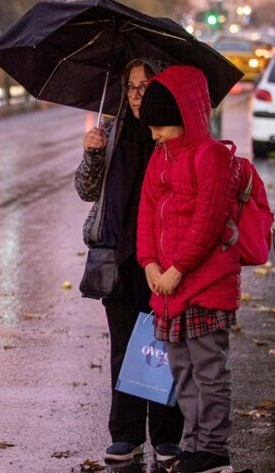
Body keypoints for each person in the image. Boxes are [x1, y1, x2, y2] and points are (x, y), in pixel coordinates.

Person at [75, 58, 185, 464]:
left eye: (146, 86)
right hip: (118, 255)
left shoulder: (171, 132)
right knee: (124, 347)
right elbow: (86, 191)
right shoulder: (111, 132)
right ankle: (126, 435)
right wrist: (92, 154)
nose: (138, 96)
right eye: (132, 87)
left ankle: (166, 436)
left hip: (162, 257)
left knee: (163, 345)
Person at [136, 66, 241, 473]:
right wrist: (149, 261)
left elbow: (208, 221)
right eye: (151, 128)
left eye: (161, 127)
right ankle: (193, 445)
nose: (155, 135)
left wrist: (177, 268)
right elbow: (147, 213)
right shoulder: (160, 157)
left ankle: (213, 449)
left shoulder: (210, 156)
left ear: (186, 116)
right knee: (182, 371)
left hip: (205, 286)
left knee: (209, 370)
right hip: (169, 289)